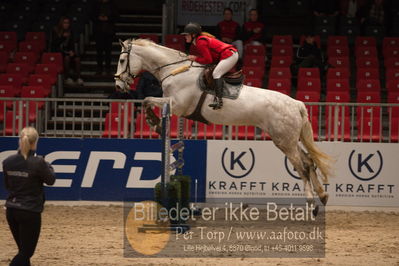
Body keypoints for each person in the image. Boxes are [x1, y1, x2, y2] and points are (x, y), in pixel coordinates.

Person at [3, 127, 56, 266]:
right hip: (30, 210)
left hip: (12, 210)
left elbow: (8, 185)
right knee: (26, 252)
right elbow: (51, 180)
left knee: (23, 251)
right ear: (35, 142)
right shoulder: (38, 162)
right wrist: (48, 166)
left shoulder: (8, 161)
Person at [182, 22, 239, 110]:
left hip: (229, 55)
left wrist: (195, 58)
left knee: (216, 74)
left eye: (187, 35)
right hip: (228, 54)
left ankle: (219, 100)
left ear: (193, 35)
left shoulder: (200, 42)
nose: (185, 36)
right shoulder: (199, 40)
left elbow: (208, 60)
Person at [50, 16, 84, 86]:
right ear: (61, 23)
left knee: (77, 59)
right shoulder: (56, 31)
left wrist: (72, 51)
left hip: (67, 51)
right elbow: (55, 44)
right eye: (65, 23)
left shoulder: (70, 32)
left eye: (68, 23)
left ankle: (78, 78)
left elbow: (71, 44)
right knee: (67, 58)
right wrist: (62, 37)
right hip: (58, 52)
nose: (66, 24)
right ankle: (67, 78)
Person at [92, 0, 119, 75]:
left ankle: (108, 69)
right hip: (99, 32)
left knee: (108, 52)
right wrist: (98, 18)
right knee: (99, 52)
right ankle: (99, 68)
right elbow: (92, 16)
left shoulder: (112, 5)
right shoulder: (96, 4)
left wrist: (108, 18)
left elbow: (117, 16)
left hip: (109, 32)